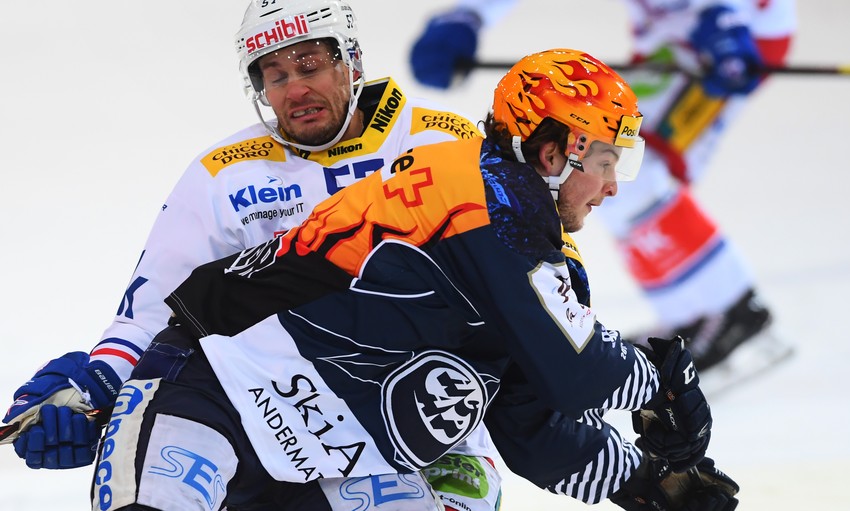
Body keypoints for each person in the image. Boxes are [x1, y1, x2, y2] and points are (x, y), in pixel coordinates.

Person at [88, 48, 738, 510]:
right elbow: (577, 369)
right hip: (208, 389)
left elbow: (531, 424)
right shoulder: (478, 199)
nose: (612, 185)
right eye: (603, 160)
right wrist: (662, 373)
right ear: (553, 152)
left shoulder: (523, 242)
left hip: (330, 462)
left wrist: (644, 481)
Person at [1, 1, 503, 509]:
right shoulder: (224, 174)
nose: (294, 89)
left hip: (424, 426)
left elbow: (532, 271)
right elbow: (153, 311)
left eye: (309, 66)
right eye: (275, 75)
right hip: (266, 421)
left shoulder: (446, 142)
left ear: (350, 61)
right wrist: (90, 388)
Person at [409, 0, 797, 385]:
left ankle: (732, 311)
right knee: (614, 166)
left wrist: (727, 13)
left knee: (619, 169)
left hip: (735, 31)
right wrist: (469, 15)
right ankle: (698, 312)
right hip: (673, 30)